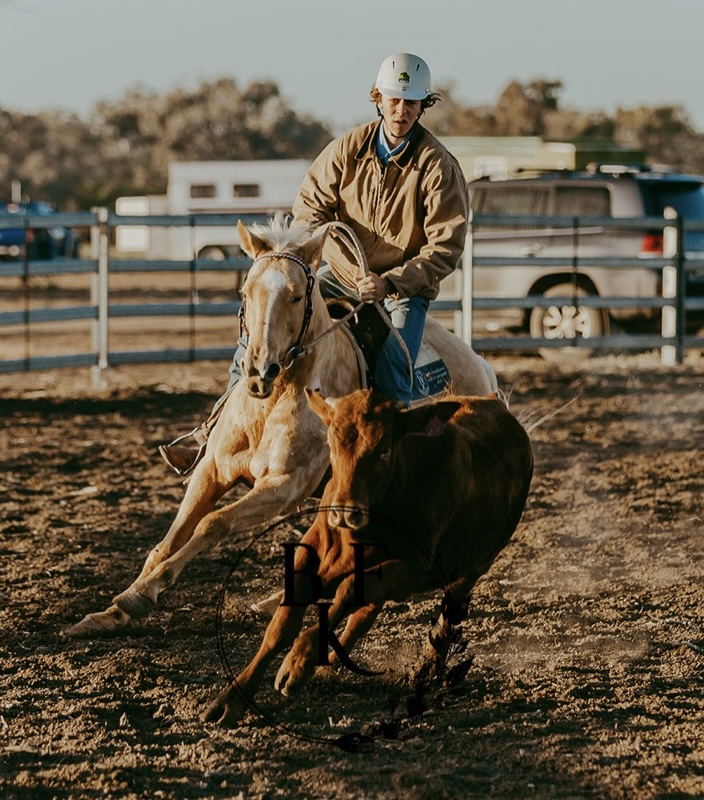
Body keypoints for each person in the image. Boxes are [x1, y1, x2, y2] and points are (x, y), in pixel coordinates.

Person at [160, 52, 469, 475]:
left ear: (423, 106)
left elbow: (446, 244)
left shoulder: (437, 166)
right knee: (263, 328)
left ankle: (387, 463)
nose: (401, 111)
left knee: (394, 363)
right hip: (339, 274)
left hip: (401, 291)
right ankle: (211, 433)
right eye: (394, 100)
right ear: (378, 99)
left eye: (411, 102)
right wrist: (341, 263)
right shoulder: (346, 150)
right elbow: (308, 211)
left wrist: (391, 282)